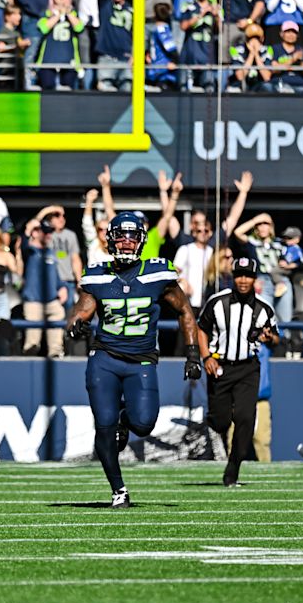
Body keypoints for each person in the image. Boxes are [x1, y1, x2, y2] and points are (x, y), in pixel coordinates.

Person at [65, 212, 203, 508]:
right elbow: (80, 312)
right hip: (105, 358)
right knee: (104, 424)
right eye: (121, 236)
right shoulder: (97, 275)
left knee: (144, 423)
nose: (127, 243)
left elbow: (185, 312)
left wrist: (192, 353)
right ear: (110, 238)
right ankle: (118, 490)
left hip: (141, 360)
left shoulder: (158, 274)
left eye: (133, 237)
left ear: (141, 241)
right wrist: (76, 324)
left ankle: (125, 422)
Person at [196, 256, 279, 487]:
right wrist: (206, 357)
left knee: (245, 419)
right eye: (239, 275)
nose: (243, 280)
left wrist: (269, 337)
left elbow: (275, 337)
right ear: (233, 277)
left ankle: (233, 471)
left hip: (247, 368)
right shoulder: (217, 302)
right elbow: (201, 329)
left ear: (255, 278)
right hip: (220, 365)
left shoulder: (264, 308)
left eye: (248, 276)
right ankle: (217, 419)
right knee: (220, 422)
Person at [19, 219, 66, 357]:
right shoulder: (29, 251)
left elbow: (55, 275)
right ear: (36, 233)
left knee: (56, 347)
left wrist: (62, 287)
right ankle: (28, 371)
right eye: (44, 232)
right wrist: (29, 230)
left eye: (49, 232)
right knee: (32, 344)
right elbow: (23, 244)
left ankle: (57, 364)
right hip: (33, 301)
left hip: (52, 300)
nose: (48, 235)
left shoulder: (51, 252)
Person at [35, 0, 85, 91]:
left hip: (69, 61)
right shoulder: (46, 13)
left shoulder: (74, 14)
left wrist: (67, 12)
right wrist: (57, 14)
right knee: (48, 89)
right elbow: (43, 28)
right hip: (48, 61)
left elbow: (79, 27)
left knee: (68, 91)